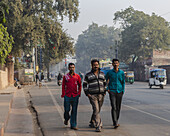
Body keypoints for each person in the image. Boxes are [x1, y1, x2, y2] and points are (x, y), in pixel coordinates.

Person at [83, 59, 106, 132]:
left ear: (98, 65)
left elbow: (105, 83)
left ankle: (92, 121)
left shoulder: (102, 74)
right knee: (96, 109)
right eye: (94, 65)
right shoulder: (88, 75)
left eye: (97, 65)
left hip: (101, 95)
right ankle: (98, 125)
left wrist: (104, 91)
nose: (95, 66)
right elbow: (84, 84)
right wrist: (87, 93)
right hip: (92, 95)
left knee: (97, 110)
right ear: (92, 66)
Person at [105, 58, 125, 129]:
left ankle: (116, 120)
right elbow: (105, 80)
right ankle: (115, 122)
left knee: (118, 107)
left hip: (119, 91)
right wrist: (107, 88)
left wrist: (123, 90)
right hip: (112, 91)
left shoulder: (121, 72)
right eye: (114, 63)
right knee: (113, 106)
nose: (116, 64)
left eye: (117, 63)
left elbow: (123, 82)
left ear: (118, 64)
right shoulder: (110, 72)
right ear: (112, 64)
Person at [61, 63, 82, 130]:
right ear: (68, 68)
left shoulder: (77, 76)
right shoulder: (66, 76)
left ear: (74, 68)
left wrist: (79, 93)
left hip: (75, 96)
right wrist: (63, 94)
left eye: (73, 67)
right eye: (70, 67)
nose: (72, 69)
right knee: (67, 110)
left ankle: (73, 125)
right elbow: (63, 85)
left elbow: (80, 85)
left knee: (74, 111)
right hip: (67, 95)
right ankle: (66, 118)